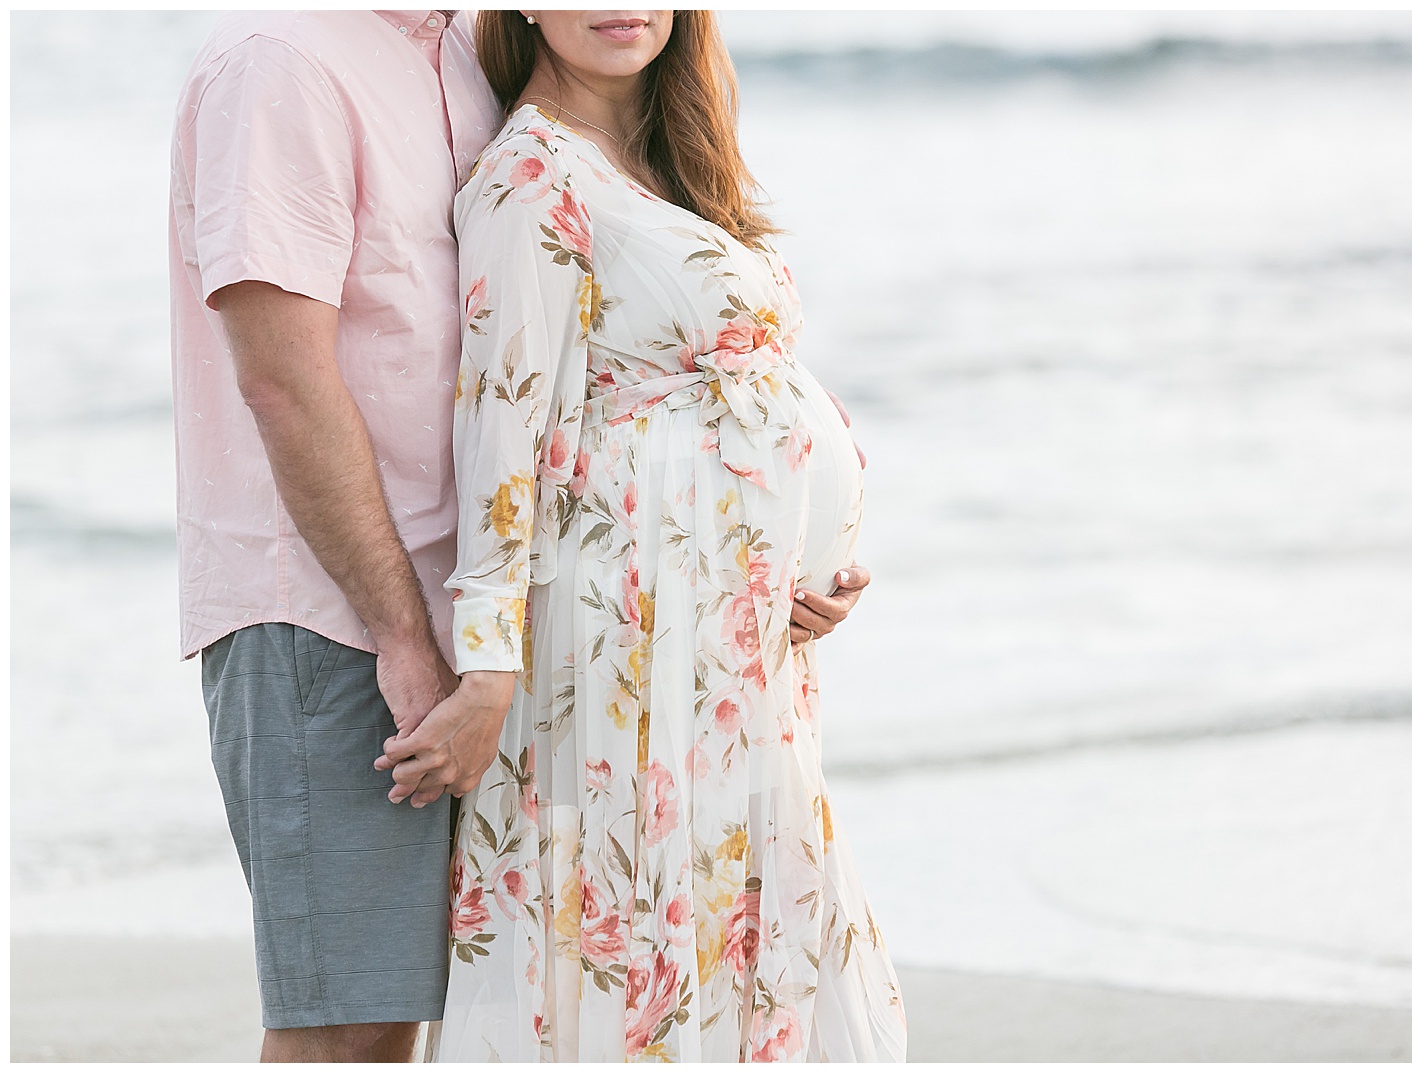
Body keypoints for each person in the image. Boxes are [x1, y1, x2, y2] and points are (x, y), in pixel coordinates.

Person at [169, 10, 872, 1062]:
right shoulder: (285, 61)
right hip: (337, 608)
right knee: (349, 1022)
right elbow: (280, 374)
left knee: (507, 986)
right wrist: (410, 638)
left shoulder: (460, 52)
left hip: (502, 621)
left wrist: (769, 554)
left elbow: (575, 368)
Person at [379, 10, 907, 1062]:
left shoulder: (671, 159)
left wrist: (811, 560)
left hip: (732, 645)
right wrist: (484, 668)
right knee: (632, 937)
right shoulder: (530, 176)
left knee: (733, 929)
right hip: (626, 640)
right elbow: (501, 422)